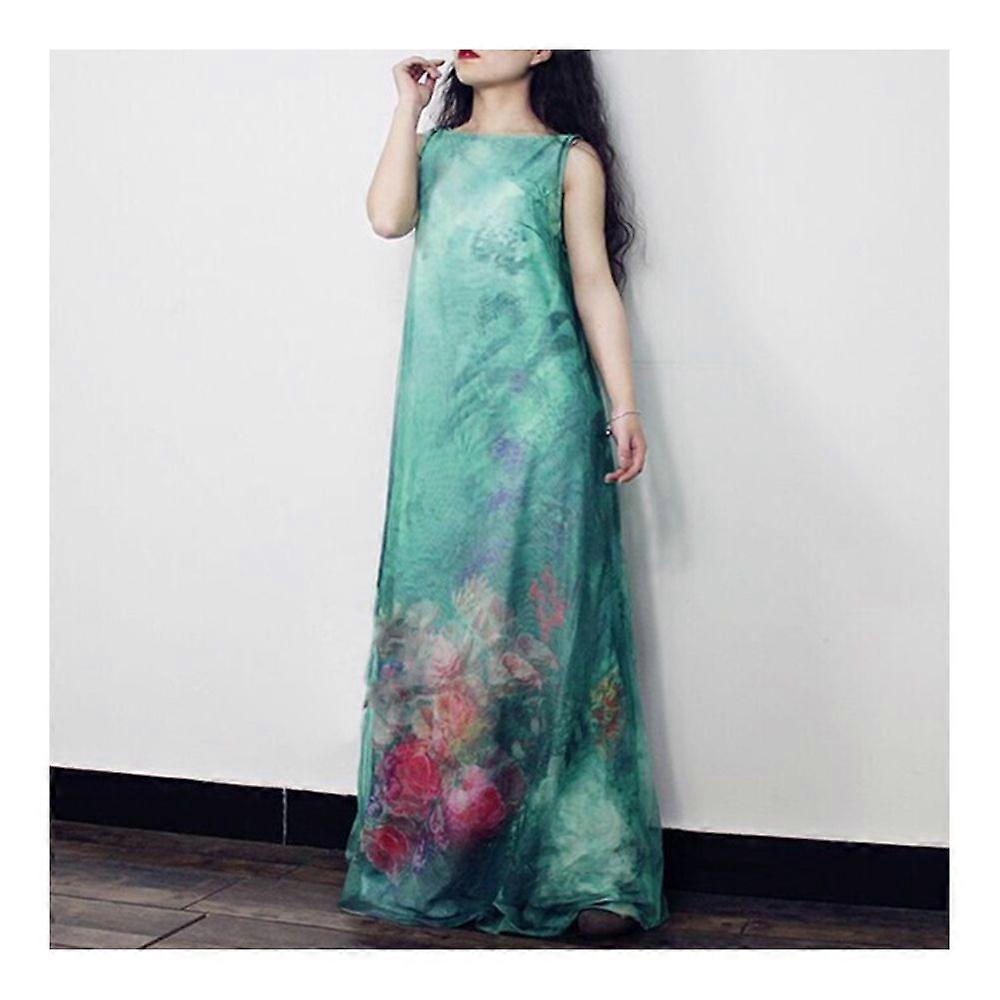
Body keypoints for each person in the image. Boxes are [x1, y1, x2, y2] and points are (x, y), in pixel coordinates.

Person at [339, 49, 668, 940]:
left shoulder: (568, 160)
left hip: (543, 421)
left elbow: (594, 283)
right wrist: (406, 109)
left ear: (546, 46)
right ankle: (441, 852)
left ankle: (574, 863)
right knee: (440, 627)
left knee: (545, 628)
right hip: (443, 431)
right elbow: (386, 217)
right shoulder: (434, 151)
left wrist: (623, 406)